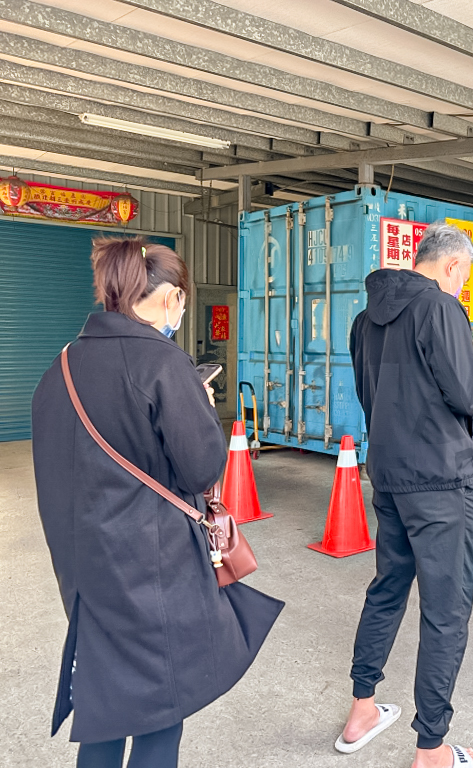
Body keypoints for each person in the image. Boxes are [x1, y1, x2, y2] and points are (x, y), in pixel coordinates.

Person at [31, 237, 284, 768]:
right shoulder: (164, 363)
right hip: (154, 571)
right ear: (170, 298)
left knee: (104, 709)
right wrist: (199, 403)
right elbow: (199, 467)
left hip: (85, 573)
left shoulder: (60, 369)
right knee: (160, 710)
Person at [341, 222, 473, 768]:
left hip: (388, 473)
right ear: (453, 265)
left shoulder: (365, 319)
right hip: (440, 479)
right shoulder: (440, 310)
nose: (463, 285)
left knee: (387, 588)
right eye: (467, 275)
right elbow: (471, 395)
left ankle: (362, 708)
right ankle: (431, 748)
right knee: (446, 609)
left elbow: (367, 393)